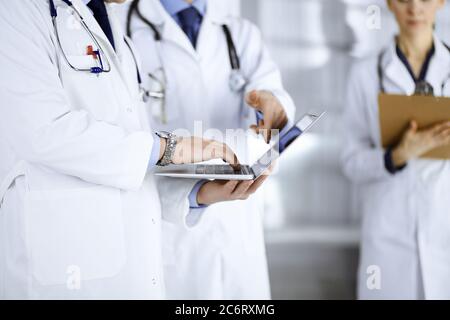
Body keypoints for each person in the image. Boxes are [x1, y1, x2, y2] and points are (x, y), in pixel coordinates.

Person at [0, 0, 238, 299]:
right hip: (63, 267)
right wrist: (172, 148)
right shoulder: (15, 10)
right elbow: (42, 130)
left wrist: (195, 195)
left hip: (132, 270)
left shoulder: (108, 19)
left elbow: (129, 156)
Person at [125, 0, 296, 299]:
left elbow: (273, 96)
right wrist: (194, 194)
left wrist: (272, 105)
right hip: (169, 231)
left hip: (239, 229)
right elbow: (127, 150)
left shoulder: (239, 32)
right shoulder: (124, 31)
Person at [341, 0, 450, 299]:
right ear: (389, 3)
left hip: (444, 229)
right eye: (404, 0)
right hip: (388, 238)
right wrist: (396, 155)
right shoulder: (365, 74)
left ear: (441, 2)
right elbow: (350, 162)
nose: (415, 9)